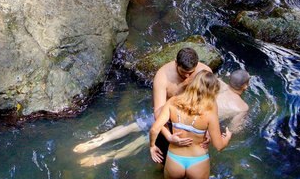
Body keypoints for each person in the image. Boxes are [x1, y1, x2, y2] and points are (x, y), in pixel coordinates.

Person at [75, 69, 251, 167]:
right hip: (186, 125)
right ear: (246, 85)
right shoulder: (242, 107)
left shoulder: (214, 82)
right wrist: (225, 135)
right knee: (141, 141)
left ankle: (96, 141)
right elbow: (234, 130)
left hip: (174, 109)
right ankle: (105, 157)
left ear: (228, 78)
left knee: (134, 125)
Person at [148, 69, 232, 179]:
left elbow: (155, 129)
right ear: (213, 91)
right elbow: (219, 146)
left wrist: (152, 146)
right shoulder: (210, 112)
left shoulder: (173, 102)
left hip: (174, 160)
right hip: (197, 162)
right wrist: (228, 137)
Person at [150, 47, 211, 164]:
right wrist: (169, 137)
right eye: (183, 72)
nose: (187, 76)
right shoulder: (162, 76)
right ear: (176, 63)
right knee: (163, 161)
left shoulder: (204, 72)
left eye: (191, 73)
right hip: (169, 121)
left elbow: (208, 104)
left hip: (194, 121)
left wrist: (207, 129)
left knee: (195, 161)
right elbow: (158, 113)